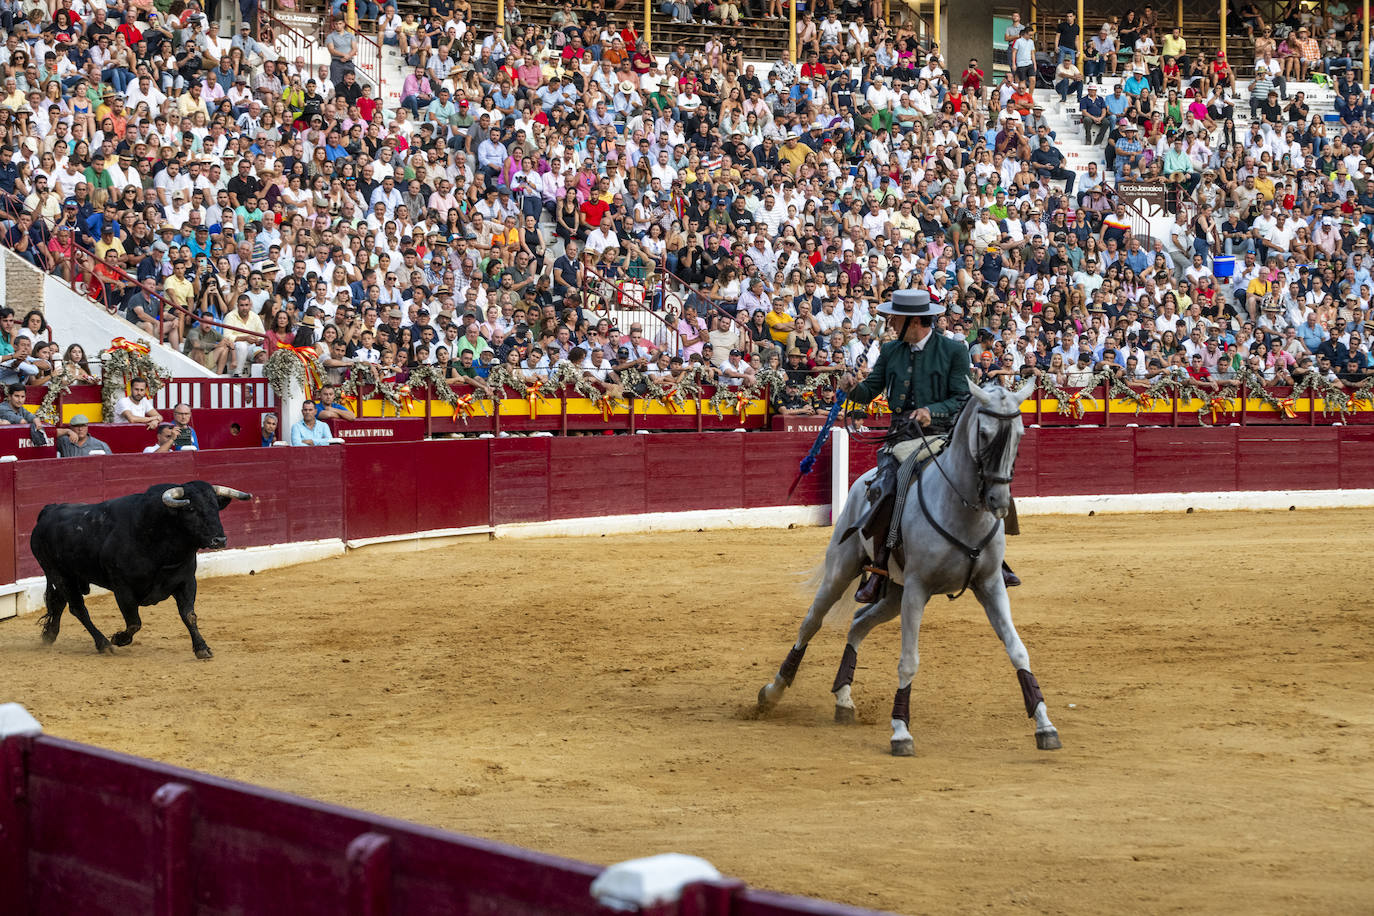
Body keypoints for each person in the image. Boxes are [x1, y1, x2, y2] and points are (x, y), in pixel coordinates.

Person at [838, 290, 1018, 603]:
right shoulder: (892, 349)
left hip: (942, 437)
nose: (890, 321)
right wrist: (853, 389)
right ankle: (880, 567)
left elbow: (961, 396)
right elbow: (869, 391)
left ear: (914, 321)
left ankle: (995, 561)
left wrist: (929, 411)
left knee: (990, 477)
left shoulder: (952, 350)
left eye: (895, 316)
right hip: (901, 439)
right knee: (884, 487)